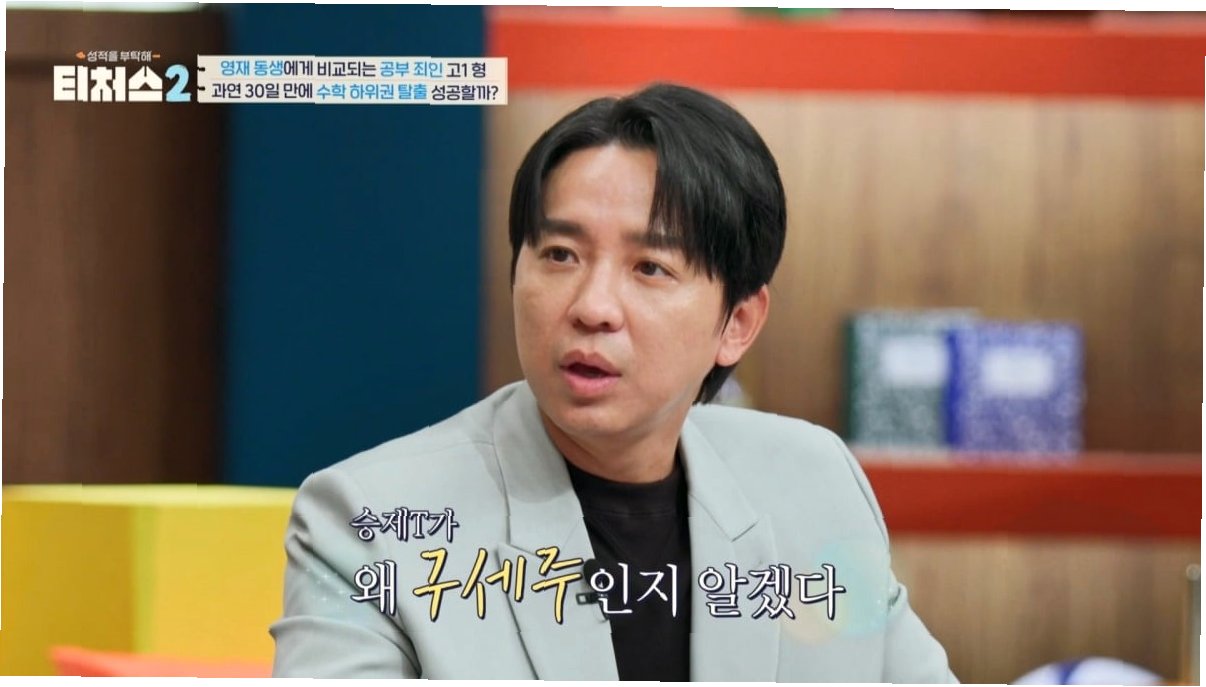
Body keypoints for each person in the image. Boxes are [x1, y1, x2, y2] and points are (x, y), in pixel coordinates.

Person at [270, 82, 957, 682]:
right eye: (560, 254)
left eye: (650, 267)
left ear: (738, 322)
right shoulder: (370, 521)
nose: (592, 306)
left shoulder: (814, 482)